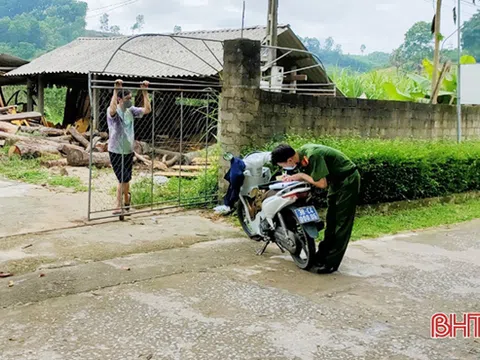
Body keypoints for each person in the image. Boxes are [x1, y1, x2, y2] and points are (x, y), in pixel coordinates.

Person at [271, 143, 361, 274]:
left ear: (289, 160)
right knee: (331, 220)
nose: (285, 168)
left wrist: (300, 176)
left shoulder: (313, 155)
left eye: (283, 165)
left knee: (341, 223)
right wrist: (292, 177)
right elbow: (313, 177)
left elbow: (321, 183)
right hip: (336, 182)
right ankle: (322, 255)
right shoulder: (301, 156)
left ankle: (331, 263)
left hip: (348, 180)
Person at [107, 79, 151, 215]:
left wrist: (144, 93)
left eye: (130, 99)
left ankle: (127, 200)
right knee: (122, 177)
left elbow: (147, 110)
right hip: (115, 149)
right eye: (127, 99)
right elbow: (113, 110)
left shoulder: (131, 110)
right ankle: (118, 205)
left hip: (128, 150)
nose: (129, 101)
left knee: (126, 177)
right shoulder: (113, 111)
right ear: (120, 100)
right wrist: (115, 91)